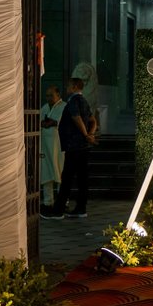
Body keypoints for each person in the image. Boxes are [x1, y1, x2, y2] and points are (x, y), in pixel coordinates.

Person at [50, 76, 98, 218]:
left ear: (75, 87)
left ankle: (58, 210)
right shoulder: (84, 101)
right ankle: (81, 208)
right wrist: (90, 134)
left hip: (74, 145)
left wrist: (86, 134)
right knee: (82, 178)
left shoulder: (73, 101)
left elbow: (76, 118)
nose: (66, 88)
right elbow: (93, 120)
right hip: (83, 146)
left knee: (67, 178)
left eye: (69, 85)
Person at [39, 84, 66, 213]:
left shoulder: (64, 107)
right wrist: (43, 123)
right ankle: (48, 202)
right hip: (45, 146)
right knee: (46, 173)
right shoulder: (44, 108)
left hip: (58, 146)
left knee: (60, 172)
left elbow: (67, 123)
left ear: (58, 95)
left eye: (51, 95)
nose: (49, 98)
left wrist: (54, 122)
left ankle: (62, 202)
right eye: (47, 95)